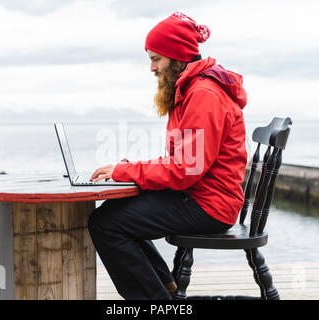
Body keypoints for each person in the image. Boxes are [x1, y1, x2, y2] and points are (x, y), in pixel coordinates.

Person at [88, 12, 248, 300]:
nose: (151, 68)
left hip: (210, 205)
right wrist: (127, 168)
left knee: (106, 225)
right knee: (111, 214)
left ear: (177, 58)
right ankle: (166, 288)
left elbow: (185, 169)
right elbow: (181, 163)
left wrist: (124, 172)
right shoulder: (190, 90)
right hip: (200, 194)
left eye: (156, 59)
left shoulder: (203, 95)